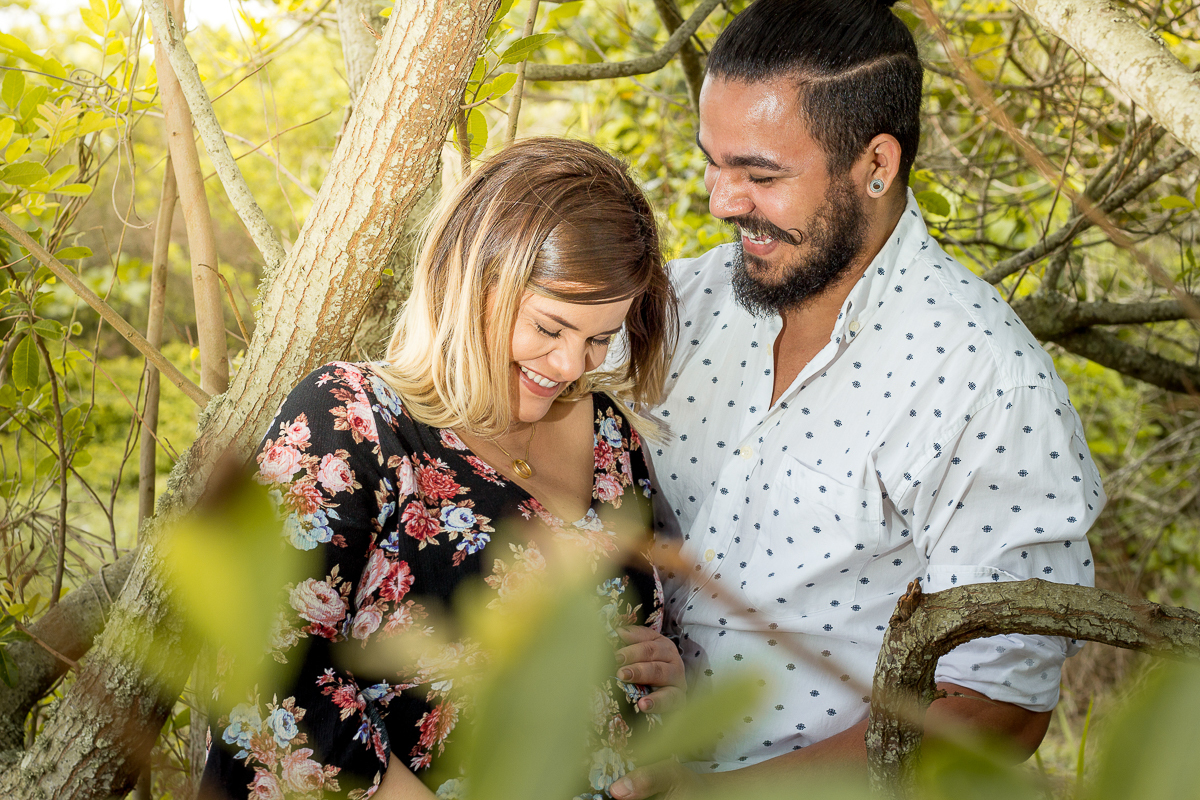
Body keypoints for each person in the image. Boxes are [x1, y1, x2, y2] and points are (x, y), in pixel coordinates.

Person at [607, 0, 1105, 796]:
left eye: (760, 175)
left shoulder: (983, 377)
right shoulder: (681, 305)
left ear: (877, 164)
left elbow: (999, 706)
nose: (721, 201)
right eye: (714, 162)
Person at [199, 138, 685, 800]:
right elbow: (261, 677)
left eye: (598, 338)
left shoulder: (608, 436)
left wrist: (665, 703)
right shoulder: (350, 420)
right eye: (550, 327)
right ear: (473, 281)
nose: (573, 364)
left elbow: (637, 635)